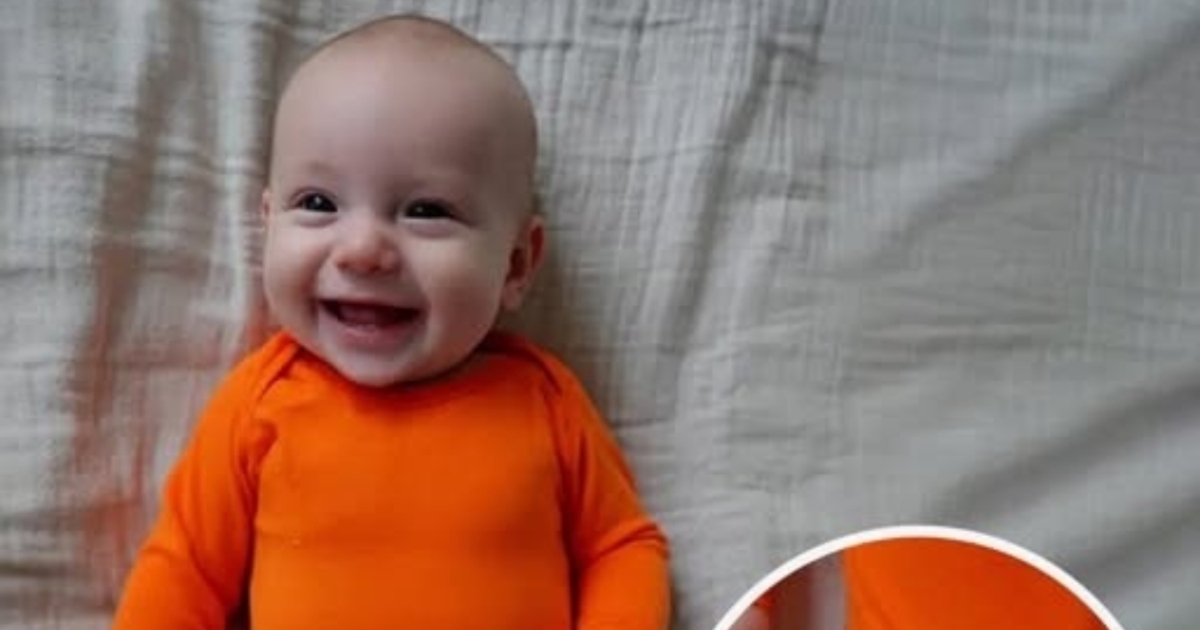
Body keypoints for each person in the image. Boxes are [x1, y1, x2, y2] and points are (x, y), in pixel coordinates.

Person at [111, 14, 670, 630]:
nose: (362, 251)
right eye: (318, 203)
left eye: (426, 211)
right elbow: (184, 570)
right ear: (267, 226)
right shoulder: (262, 403)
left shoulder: (543, 402)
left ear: (515, 265)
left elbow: (622, 548)